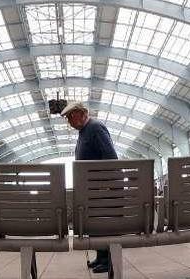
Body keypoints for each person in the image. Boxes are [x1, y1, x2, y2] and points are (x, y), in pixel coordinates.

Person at [61, 101, 117, 274]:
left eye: (71, 116)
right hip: (93, 188)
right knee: (95, 224)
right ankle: (101, 256)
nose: (69, 121)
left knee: (102, 224)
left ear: (82, 113)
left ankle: (108, 260)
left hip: (101, 188)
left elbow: (110, 157)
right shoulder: (85, 131)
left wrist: (104, 187)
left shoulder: (95, 127)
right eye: (67, 118)